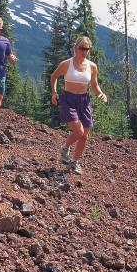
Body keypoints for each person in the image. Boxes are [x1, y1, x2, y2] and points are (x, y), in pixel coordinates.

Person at [50, 36, 107, 174]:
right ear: (76, 48)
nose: (85, 51)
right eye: (82, 48)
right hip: (68, 99)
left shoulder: (92, 66)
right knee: (79, 131)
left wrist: (100, 94)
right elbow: (54, 76)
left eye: (87, 49)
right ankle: (65, 148)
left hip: (84, 100)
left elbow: (94, 85)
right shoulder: (66, 64)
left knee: (84, 135)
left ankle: (74, 163)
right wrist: (54, 92)